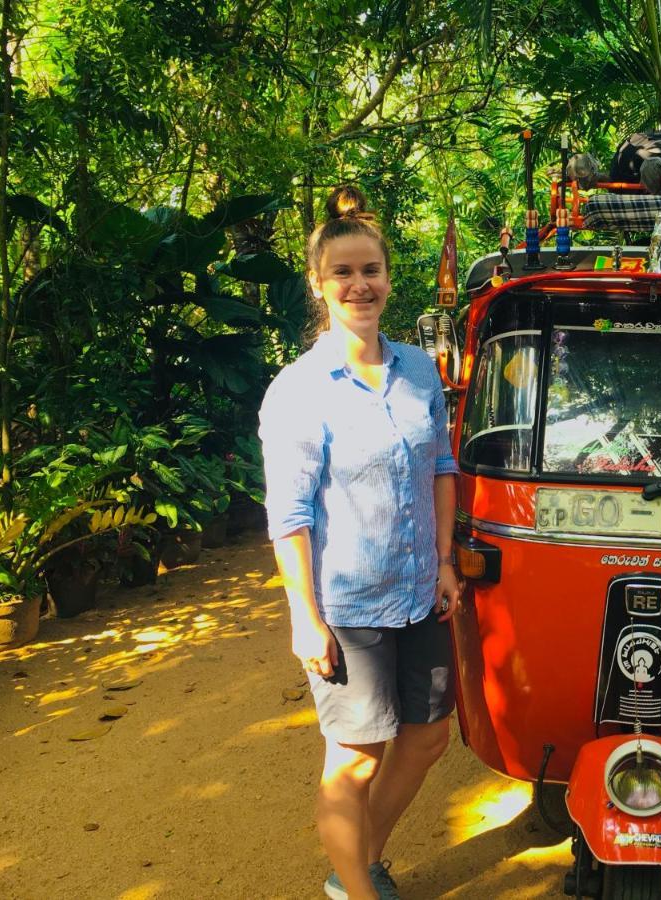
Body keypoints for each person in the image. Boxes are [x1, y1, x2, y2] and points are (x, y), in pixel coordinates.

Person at [259, 185, 461, 900]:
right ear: (317, 284)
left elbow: (441, 465)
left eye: (369, 270)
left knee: (429, 738)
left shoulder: (415, 371)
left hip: (418, 593)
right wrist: (303, 617)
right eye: (341, 273)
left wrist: (442, 562)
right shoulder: (300, 390)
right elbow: (288, 513)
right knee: (355, 758)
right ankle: (356, 888)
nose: (359, 285)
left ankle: (356, 862)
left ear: (387, 277)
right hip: (349, 606)